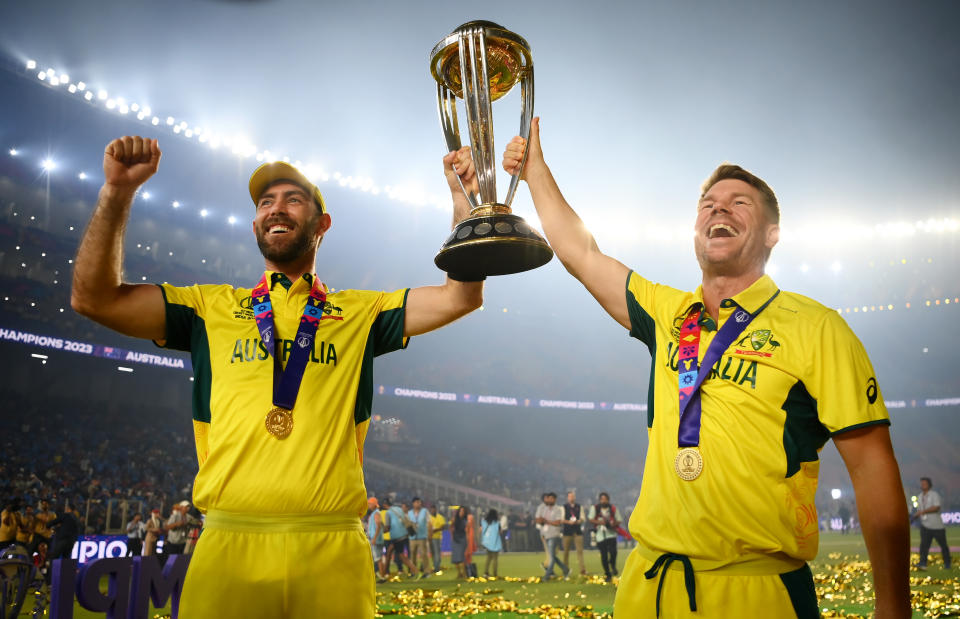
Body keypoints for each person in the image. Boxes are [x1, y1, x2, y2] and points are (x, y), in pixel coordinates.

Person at [504, 120, 910, 617]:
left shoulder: (817, 328)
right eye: (708, 204)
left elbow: (871, 466)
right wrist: (535, 172)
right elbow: (581, 253)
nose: (719, 208)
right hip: (648, 587)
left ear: (772, 233)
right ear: (697, 229)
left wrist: (894, 608)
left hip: (756, 590)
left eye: (740, 203)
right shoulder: (668, 312)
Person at [71, 136, 483, 617]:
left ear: (321, 224)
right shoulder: (209, 307)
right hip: (228, 539)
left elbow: (460, 297)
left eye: (293, 199)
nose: (277, 209)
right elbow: (93, 298)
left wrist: (464, 201)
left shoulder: (360, 311)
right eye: (266, 202)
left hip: (331, 547)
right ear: (255, 223)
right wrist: (116, 194)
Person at [912, 477, 951, 570]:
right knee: (923, 546)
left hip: (937, 526)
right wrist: (915, 516)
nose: (923, 485)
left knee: (943, 545)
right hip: (925, 525)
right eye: (921, 483)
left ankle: (947, 564)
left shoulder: (934, 495)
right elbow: (920, 511)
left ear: (929, 484)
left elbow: (937, 507)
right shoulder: (920, 496)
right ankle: (923, 564)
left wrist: (923, 511)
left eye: (924, 483)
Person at [382, 497, 425, 579]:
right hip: (405, 534)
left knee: (402, 556)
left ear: (384, 505)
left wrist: (381, 531)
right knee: (389, 552)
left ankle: (416, 572)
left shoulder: (388, 513)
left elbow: (387, 528)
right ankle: (384, 574)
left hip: (396, 536)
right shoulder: (398, 509)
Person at [534, 492, 569, 581]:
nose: (549, 500)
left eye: (551, 498)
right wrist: (543, 521)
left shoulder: (558, 509)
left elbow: (557, 522)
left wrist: (546, 521)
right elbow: (538, 519)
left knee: (551, 556)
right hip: (545, 534)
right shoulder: (544, 508)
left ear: (554, 499)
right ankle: (565, 569)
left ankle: (547, 575)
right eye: (548, 498)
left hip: (554, 534)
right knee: (552, 555)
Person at [588, 492, 621, 582]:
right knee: (604, 556)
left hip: (611, 534)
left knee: (614, 552)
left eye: (605, 499)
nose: (604, 501)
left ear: (608, 500)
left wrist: (612, 523)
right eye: (602, 499)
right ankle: (608, 574)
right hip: (600, 535)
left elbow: (619, 520)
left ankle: (613, 565)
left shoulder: (613, 508)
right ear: (599, 500)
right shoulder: (595, 508)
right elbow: (590, 519)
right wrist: (600, 522)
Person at [561, 491, 586, 576]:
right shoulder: (564, 507)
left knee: (580, 551)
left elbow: (582, 518)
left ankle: (582, 570)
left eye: (573, 496)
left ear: (574, 497)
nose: (571, 498)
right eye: (570, 496)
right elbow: (562, 519)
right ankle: (565, 570)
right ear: (568, 498)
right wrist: (569, 522)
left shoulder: (579, 507)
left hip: (577, 531)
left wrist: (578, 521)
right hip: (567, 532)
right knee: (566, 552)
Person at [408, 497, 430, 575]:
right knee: (412, 555)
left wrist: (429, 534)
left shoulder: (425, 511)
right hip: (412, 537)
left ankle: (427, 571)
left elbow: (429, 522)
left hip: (422, 536)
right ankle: (413, 571)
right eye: (417, 502)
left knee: (424, 555)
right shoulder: (409, 513)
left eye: (420, 502)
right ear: (413, 503)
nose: (419, 504)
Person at [480, 508, 502, 577]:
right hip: (495, 543)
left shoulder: (485, 522)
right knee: (495, 559)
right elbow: (500, 532)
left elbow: (481, 530)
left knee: (488, 558)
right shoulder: (497, 523)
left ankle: (486, 572)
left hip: (487, 543)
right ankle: (495, 573)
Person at [449, 506, 469, 579]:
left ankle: (464, 574)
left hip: (462, 539)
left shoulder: (465, 520)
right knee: (455, 559)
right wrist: (452, 535)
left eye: (463, 511)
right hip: (455, 539)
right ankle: (459, 573)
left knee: (461, 557)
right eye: (461, 511)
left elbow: (467, 530)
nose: (462, 513)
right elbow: (450, 527)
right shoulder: (454, 519)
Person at [428, 503, 446, 572]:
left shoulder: (440, 517)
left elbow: (442, 527)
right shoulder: (429, 518)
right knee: (432, 552)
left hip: (437, 537)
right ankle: (435, 565)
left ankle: (436, 567)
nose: (432, 510)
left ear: (436, 509)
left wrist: (434, 530)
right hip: (430, 537)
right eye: (431, 509)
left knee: (437, 552)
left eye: (433, 509)